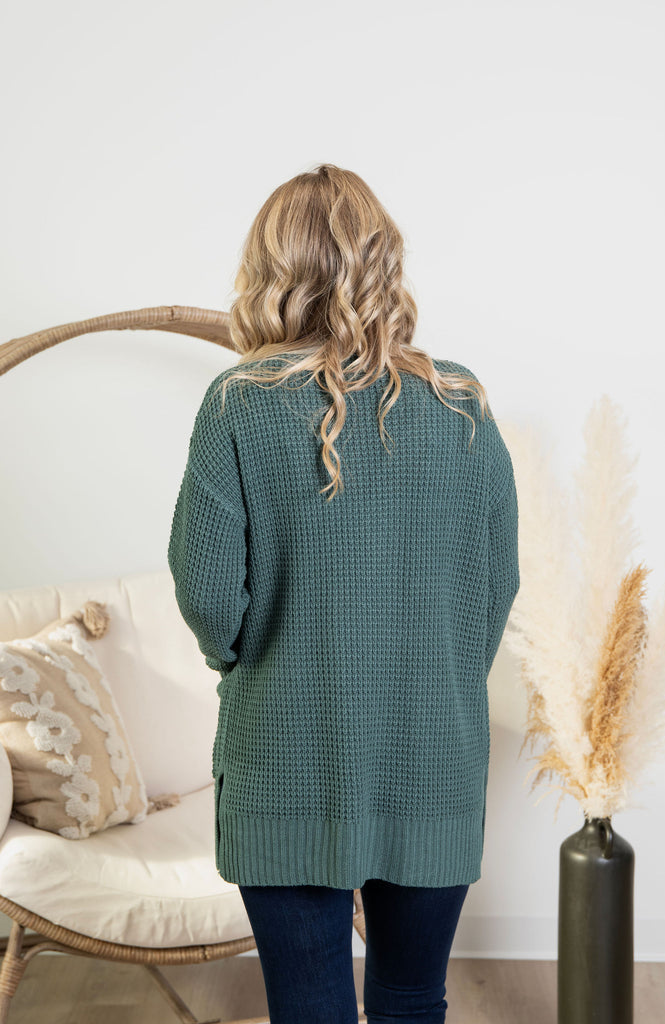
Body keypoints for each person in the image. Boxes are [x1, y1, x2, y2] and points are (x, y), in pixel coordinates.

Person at [167, 163, 520, 1024]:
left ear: (270, 269)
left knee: (308, 1006)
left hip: (283, 752)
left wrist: (242, 659)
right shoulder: (462, 403)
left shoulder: (238, 404)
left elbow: (206, 593)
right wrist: (437, 672)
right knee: (411, 1000)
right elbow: (494, 588)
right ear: (382, 261)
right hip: (432, 751)